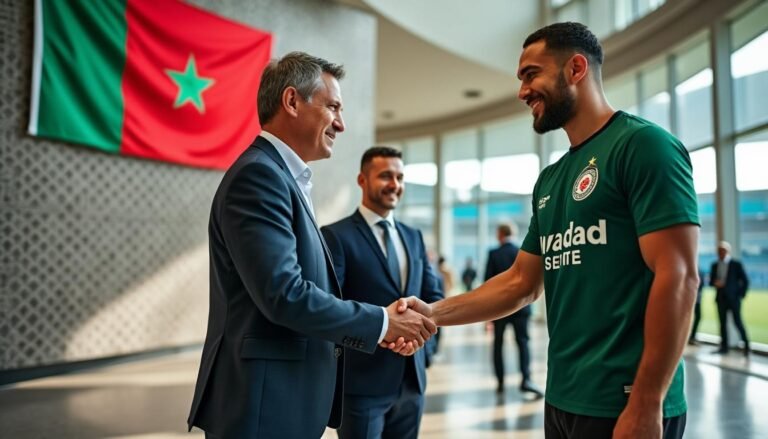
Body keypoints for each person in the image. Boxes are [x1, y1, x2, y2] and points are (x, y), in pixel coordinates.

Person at [386, 22, 699, 439]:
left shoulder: (644, 147)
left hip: (625, 401)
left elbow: (679, 277)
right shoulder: (550, 180)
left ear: (575, 68)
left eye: (531, 74)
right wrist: (433, 313)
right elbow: (520, 283)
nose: (522, 91)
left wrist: (646, 401)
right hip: (564, 399)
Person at [186, 52, 435, 439]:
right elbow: (284, 294)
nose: (341, 122)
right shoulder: (259, 176)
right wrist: (383, 323)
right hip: (263, 406)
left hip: (282, 401)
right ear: (291, 101)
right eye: (333, 106)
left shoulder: (279, 176)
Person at [321, 146, 444, 439]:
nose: (395, 184)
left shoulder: (412, 236)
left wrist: (423, 347)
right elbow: (331, 304)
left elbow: (434, 297)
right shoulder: (335, 236)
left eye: (400, 177)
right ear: (362, 180)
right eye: (385, 176)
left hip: (411, 381)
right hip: (361, 384)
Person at [485, 223, 543, 398]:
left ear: (500, 234)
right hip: (522, 308)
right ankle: (526, 378)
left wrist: (488, 315)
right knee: (523, 343)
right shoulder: (521, 252)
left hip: (499, 309)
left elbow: (488, 283)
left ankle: (500, 381)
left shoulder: (494, 254)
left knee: (498, 344)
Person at [709, 241, 750, 356]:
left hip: (734, 299)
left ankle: (746, 345)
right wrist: (715, 283)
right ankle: (724, 347)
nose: (721, 253)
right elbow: (711, 281)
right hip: (721, 299)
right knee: (722, 324)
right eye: (719, 251)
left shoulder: (736, 264)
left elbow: (745, 281)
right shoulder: (714, 265)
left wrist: (740, 295)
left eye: (723, 251)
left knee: (738, 322)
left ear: (728, 252)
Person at [688, 269, 705, 345]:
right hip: (688, 298)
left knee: (698, 316)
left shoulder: (699, 270)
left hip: (696, 299)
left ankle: (691, 336)